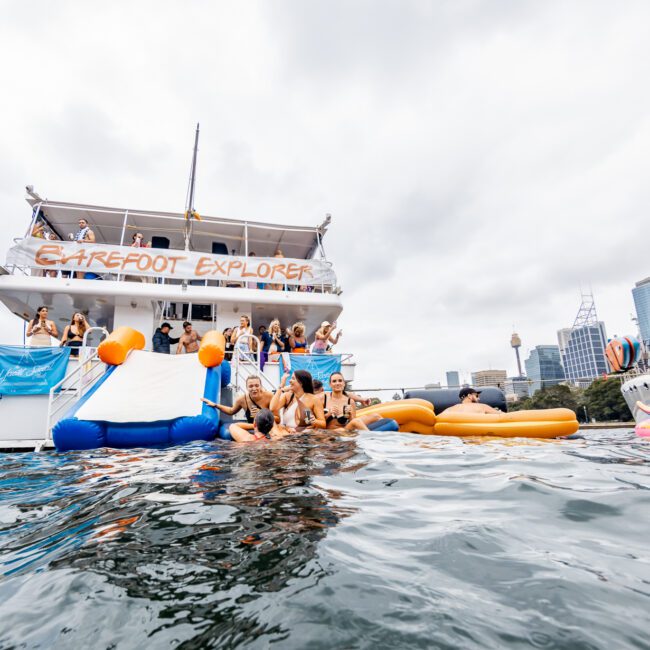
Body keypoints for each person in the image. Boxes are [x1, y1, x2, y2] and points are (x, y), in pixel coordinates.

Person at [202, 375, 273, 430]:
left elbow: (278, 419)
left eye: (257, 385)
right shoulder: (242, 400)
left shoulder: (269, 396)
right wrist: (215, 405)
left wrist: (262, 414)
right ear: (246, 387)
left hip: (267, 428)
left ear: (261, 386)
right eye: (251, 386)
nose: (254, 389)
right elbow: (231, 411)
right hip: (252, 427)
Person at [228, 408, 294, 442]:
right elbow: (290, 431)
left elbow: (233, 426)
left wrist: (254, 425)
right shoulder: (278, 437)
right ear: (271, 426)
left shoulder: (248, 439)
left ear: (255, 424)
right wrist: (288, 428)